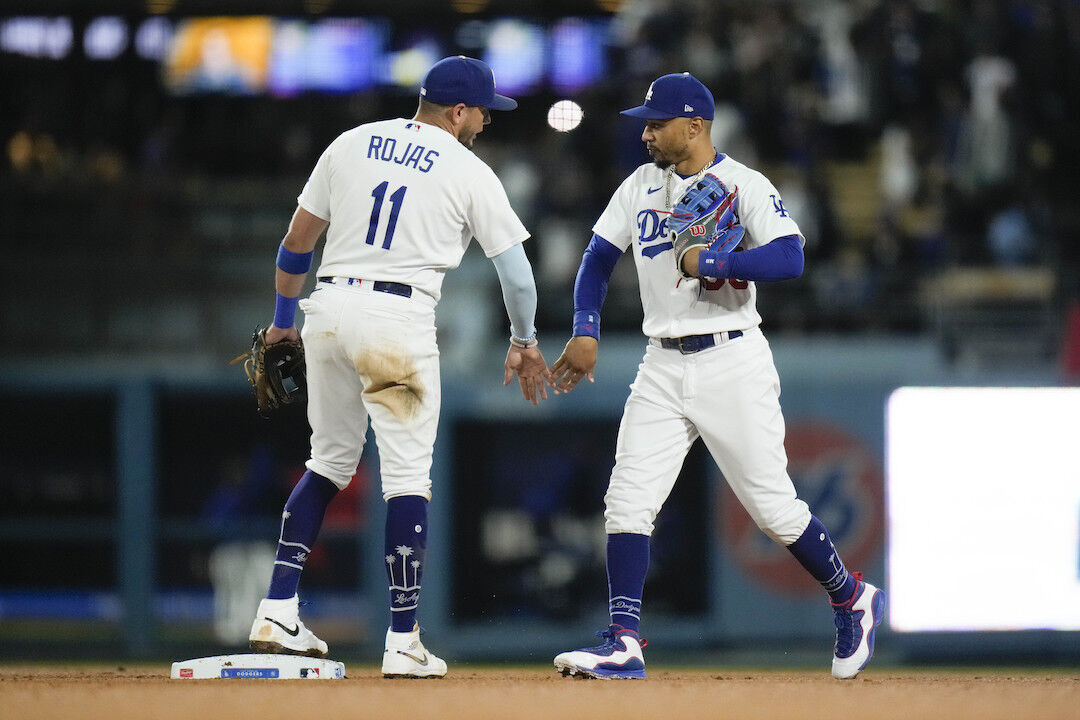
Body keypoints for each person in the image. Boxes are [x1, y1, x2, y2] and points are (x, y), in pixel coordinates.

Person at [548, 73, 885, 680]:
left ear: (695, 126)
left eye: (657, 123)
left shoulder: (744, 184)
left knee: (773, 509)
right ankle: (624, 640)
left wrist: (718, 260)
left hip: (732, 357)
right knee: (626, 501)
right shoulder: (640, 185)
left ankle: (849, 595)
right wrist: (586, 327)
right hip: (661, 361)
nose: (646, 132)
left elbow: (790, 255)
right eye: (645, 122)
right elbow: (597, 259)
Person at [247, 56, 551, 678]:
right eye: (484, 111)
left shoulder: (351, 142)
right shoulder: (468, 168)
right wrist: (523, 339)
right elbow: (517, 276)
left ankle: (277, 606)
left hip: (327, 309)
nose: (487, 121)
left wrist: (282, 319)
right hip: (396, 319)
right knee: (407, 479)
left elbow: (296, 242)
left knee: (328, 463)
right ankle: (403, 638)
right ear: (458, 111)